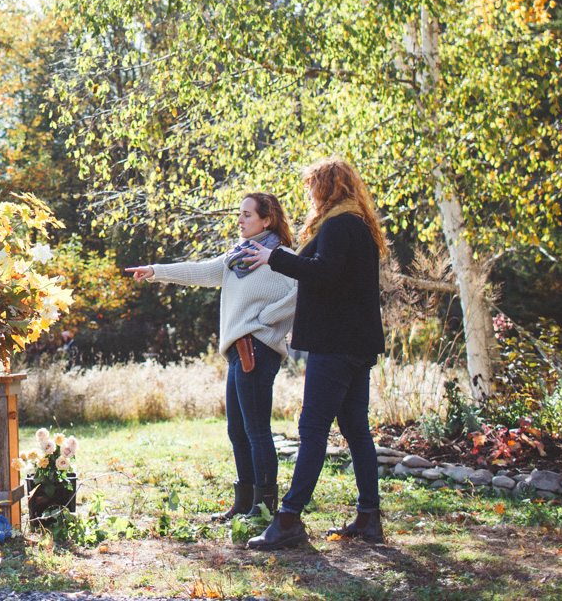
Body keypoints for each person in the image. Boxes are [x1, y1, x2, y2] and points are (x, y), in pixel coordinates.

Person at [240, 158, 387, 550]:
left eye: (313, 187)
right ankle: (369, 516)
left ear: (327, 188)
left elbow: (323, 272)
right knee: (356, 429)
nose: (310, 195)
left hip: (336, 345)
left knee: (312, 430)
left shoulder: (339, 225)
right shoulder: (359, 225)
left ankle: (288, 517)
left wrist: (276, 258)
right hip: (357, 344)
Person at [127, 193, 298, 521]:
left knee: (257, 430)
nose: (240, 220)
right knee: (237, 429)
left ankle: (264, 507)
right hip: (237, 351)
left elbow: (301, 294)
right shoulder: (237, 257)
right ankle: (245, 502)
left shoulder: (281, 257)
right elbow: (199, 272)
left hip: (257, 349)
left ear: (267, 220)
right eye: (240, 214)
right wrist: (155, 270)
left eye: (247, 214)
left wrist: (265, 321)